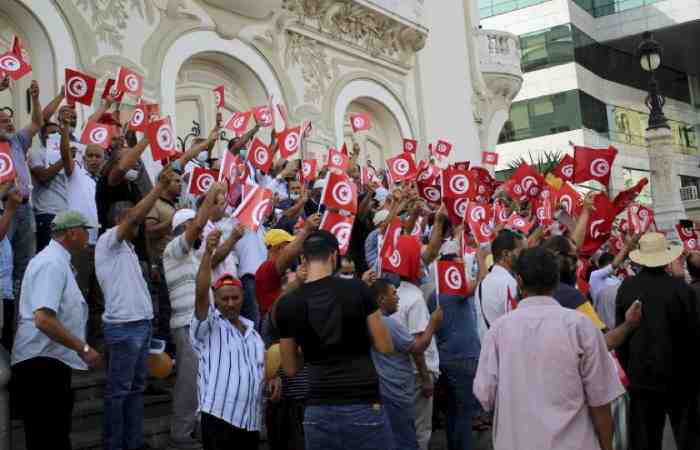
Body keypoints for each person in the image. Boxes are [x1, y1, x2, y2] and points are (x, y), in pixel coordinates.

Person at [474, 247, 625, 450]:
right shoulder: (581, 326)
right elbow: (601, 400)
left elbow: (485, 395)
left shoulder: (498, 331)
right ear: (556, 281)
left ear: (519, 281)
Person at [276, 230, 394, 450]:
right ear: (333, 256)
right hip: (363, 402)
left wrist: (312, 349)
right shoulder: (358, 288)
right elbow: (385, 346)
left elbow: (290, 368)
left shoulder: (287, 304)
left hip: (318, 408)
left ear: (303, 259)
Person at [96, 167, 178, 450]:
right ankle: (115, 445)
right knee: (119, 392)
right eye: (133, 220)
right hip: (123, 328)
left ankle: (131, 442)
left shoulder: (129, 249)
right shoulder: (107, 242)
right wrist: (157, 189)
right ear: (120, 220)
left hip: (140, 327)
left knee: (134, 390)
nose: (139, 225)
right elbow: (135, 216)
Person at [11, 211, 102, 450]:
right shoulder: (51, 262)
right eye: (85, 230)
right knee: (48, 438)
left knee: (54, 436)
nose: (88, 237)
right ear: (72, 233)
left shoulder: (57, 261)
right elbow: (43, 319)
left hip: (49, 362)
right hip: (40, 365)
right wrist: (82, 348)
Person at [615, 232, 700, 450]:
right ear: (665, 257)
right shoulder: (682, 289)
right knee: (688, 437)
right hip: (680, 376)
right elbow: (693, 335)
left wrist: (630, 368)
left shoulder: (627, 287)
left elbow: (621, 334)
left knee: (645, 439)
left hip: (641, 374)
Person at [162, 183, 230, 450]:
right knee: (189, 382)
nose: (198, 229)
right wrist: (212, 194)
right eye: (192, 225)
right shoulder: (173, 250)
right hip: (186, 326)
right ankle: (181, 434)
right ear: (183, 229)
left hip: (203, 325)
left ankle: (198, 429)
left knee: (204, 380)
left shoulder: (191, 256)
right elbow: (200, 223)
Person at [192, 230, 266, 450]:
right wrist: (207, 254)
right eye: (225, 299)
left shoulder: (254, 335)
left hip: (250, 421)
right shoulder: (209, 326)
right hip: (218, 418)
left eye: (235, 298)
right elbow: (201, 292)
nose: (231, 303)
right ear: (216, 300)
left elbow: (260, 371)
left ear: (243, 297)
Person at [426, 246, 488, 450]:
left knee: (454, 412)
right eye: (458, 264)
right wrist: (480, 258)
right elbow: (482, 281)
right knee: (463, 415)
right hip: (463, 359)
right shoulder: (454, 290)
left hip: (446, 358)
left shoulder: (434, 295)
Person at [371, 279, 443, 450]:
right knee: (406, 441)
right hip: (396, 393)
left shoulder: (374, 321)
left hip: (388, 391)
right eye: (393, 293)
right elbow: (417, 347)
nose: (397, 298)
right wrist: (432, 324)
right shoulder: (388, 324)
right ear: (382, 299)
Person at [388, 234, 440, 450]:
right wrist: (427, 378)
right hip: (418, 377)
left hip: (402, 375)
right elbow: (417, 346)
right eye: (419, 260)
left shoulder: (396, 294)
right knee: (420, 431)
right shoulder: (416, 300)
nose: (423, 265)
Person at [1, 80, 43, 296]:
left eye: (10, 120)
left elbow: (37, 122)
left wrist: (35, 99)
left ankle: (19, 314)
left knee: (25, 264)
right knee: (4, 263)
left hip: (26, 209)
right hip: (4, 209)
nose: (10, 124)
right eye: (3, 122)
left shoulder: (17, 140)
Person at [256, 218, 320, 319]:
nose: (296, 250)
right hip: (274, 324)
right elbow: (289, 254)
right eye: (289, 245)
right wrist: (306, 229)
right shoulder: (267, 267)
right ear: (280, 248)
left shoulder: (272, 269)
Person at [28, 122, 74, 252]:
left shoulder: (65, 153)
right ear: (42, 136)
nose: (57, 136)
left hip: (66, 212)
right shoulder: (36, 152)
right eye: (52, 133)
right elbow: (43, 176)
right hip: (47, 213)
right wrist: (64, 159)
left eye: (59, 133)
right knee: (47, 253)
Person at [474, 229, 523, 341]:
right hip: (506, 353)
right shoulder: (509, 283)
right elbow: (516, 327)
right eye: (520, 252)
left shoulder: (482, 283)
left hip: (487, 351)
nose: (523, 257)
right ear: (506, 254)